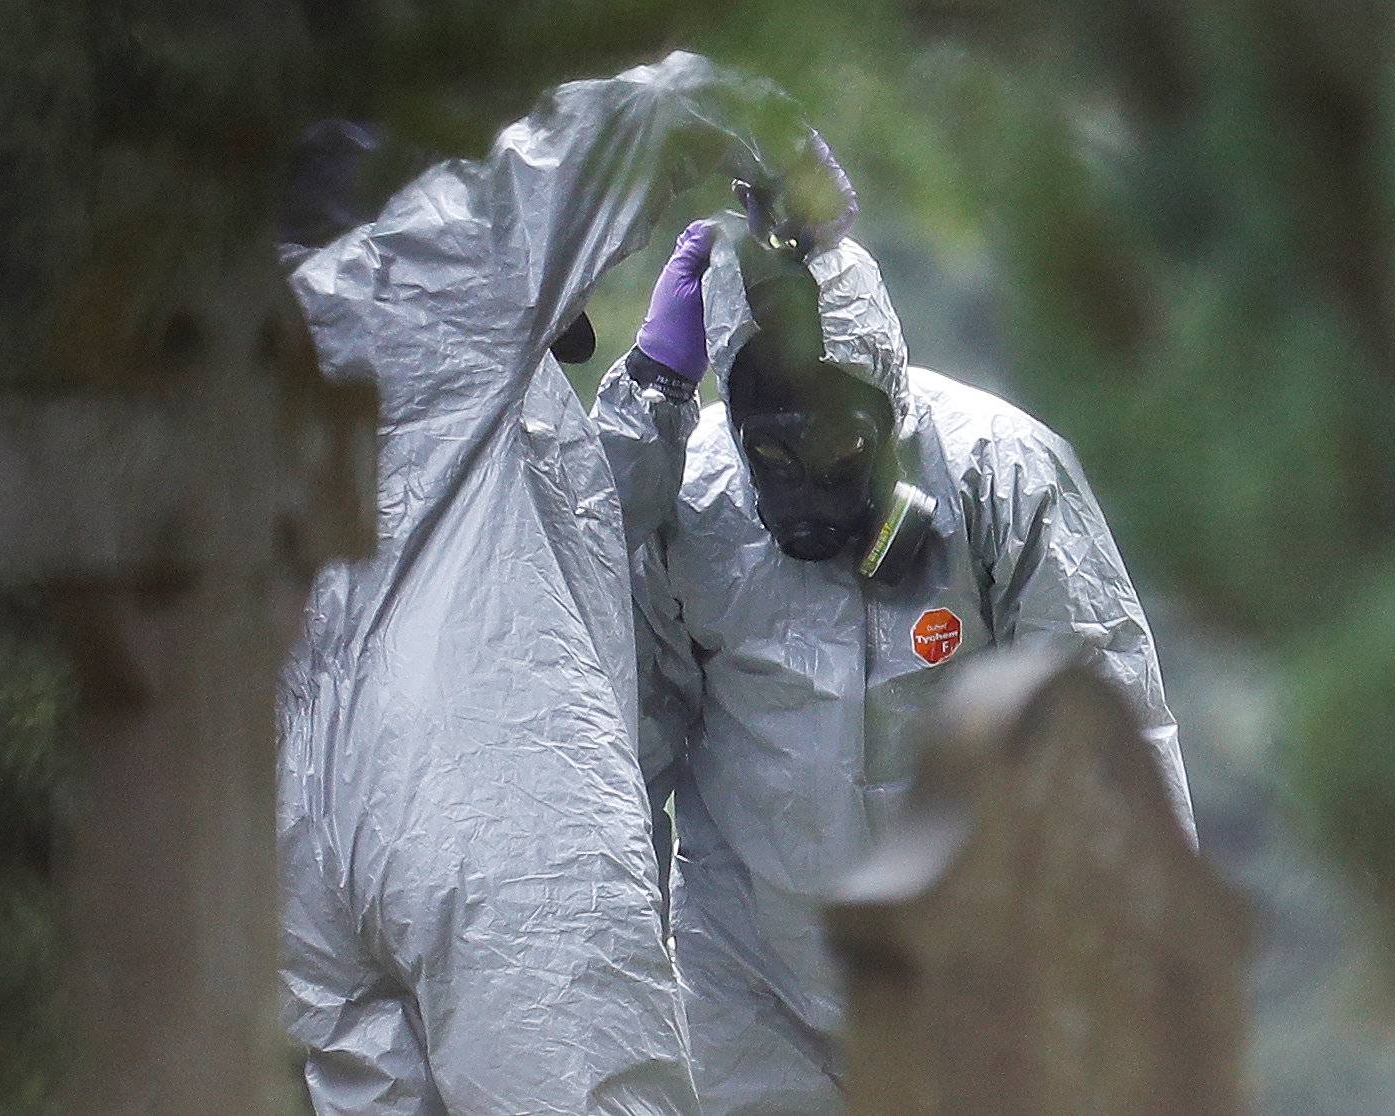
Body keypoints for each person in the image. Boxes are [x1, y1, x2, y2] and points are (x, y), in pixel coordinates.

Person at [275, 53, 855, 1114]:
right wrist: (746, 110)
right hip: (486, 817)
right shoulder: (406, 288)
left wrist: (653, 392)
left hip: (300, 876)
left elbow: (529, 534)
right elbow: (591, 150)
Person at [592, 216, 1197, 1114]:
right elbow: (618, 745)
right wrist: (606, 975)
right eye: (773, 451)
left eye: (837, 448)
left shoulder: (999, 474)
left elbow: (1110, 741)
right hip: (758, 987)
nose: (802, 481)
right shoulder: (690, 499)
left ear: (887, 411)